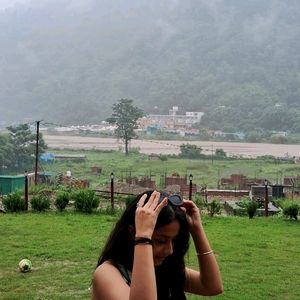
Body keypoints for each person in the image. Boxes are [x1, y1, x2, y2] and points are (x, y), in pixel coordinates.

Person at [92, 190, 223, 300]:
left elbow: (211, 287)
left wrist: (197, 230)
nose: (169, 250)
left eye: (173, 241)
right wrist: (143, 237)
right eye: (161, 241)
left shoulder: (165, 267)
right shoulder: (107, 273)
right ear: (133, 233)